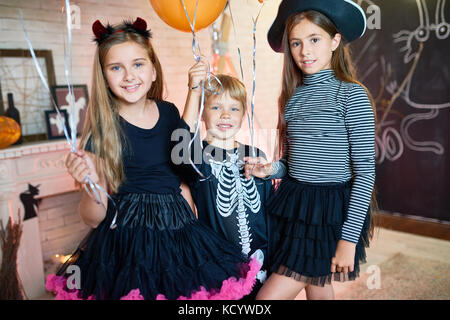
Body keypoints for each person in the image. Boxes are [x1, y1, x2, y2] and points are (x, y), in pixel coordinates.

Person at [45, 17, 259, 300]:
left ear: (154, 70)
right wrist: (91, 182)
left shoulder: (169, 113)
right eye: (116, 68)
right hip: (128, 240)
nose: (129, 76)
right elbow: (93, 217)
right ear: (105, 77)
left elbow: (183, 165)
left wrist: (195, 89)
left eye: (138, 64)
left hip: (180, 231)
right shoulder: (101, 131)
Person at [244, 0, 376, 300]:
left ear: (335, 40)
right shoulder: (292, 98)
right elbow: (296, 161)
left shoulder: (350, 94)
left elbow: (365, 174)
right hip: (295, 203)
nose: (305, 51)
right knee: (317, 286)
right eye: (296, 43)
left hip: (329, 212)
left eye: (314, 39)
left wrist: (348, 239)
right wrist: (271, 168)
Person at [174, 67, 273, 299]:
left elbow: (269, 210)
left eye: (234, 108)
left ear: (243, 114)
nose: (225, 115)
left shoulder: (255, 154)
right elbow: (179, 146)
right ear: (202, 113)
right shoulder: (196, 156)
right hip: (219, 266)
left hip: (262, 261)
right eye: (216, 107)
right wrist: (195, 90)